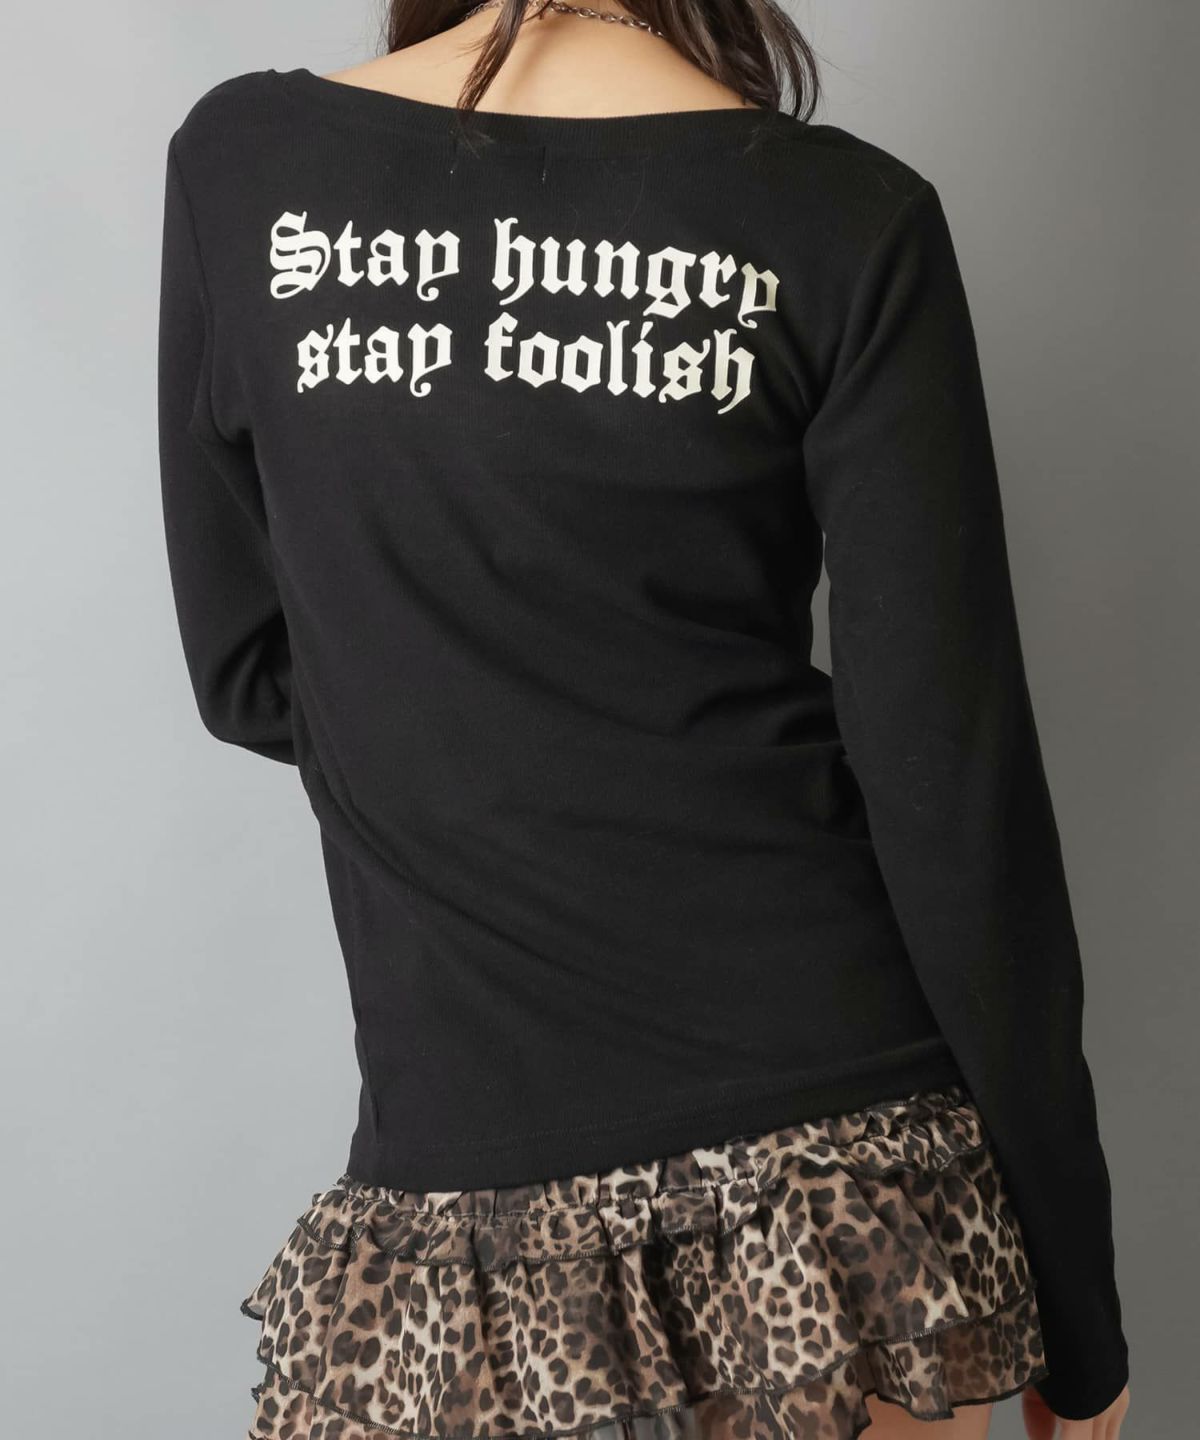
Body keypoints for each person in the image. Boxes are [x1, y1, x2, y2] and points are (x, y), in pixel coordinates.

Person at [155, 2, 1132, 1436]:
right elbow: (954, 795)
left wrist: (465, 715)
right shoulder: (846, 216)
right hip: (843, 1203)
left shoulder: (247, 163)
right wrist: (1079, 1318)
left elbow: (248, 670)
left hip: (468, 1215)